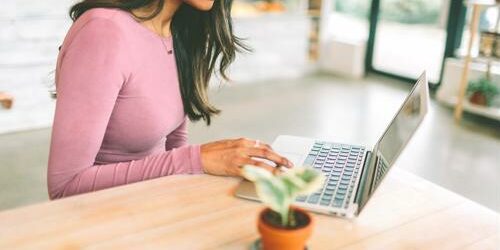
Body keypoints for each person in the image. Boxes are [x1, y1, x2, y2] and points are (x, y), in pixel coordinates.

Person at [47, 0, 293, 199]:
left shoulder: (177, 31)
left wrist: (225, 164)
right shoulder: (103, 32)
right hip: (102, 218)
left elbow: (174, 144)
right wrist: (197, 159)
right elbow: (64, 186)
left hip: (150, 203)